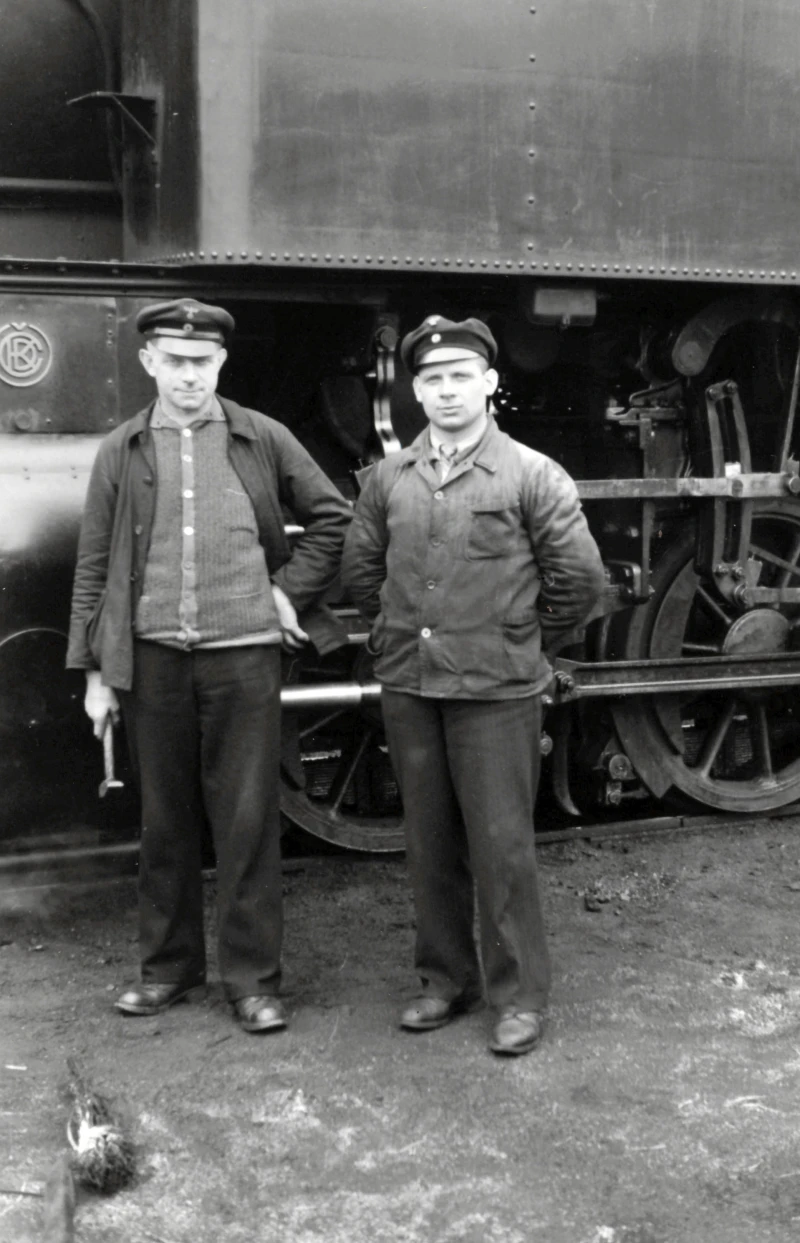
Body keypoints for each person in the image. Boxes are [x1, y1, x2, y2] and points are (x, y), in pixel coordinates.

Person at [67, 299, 351, 1033]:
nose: (188, 375)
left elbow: (334, 519)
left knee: (247, 823)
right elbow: (94, 568)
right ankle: (167, 969)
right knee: (164, 822)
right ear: (149, 362)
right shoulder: (123, 448)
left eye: (202, 362)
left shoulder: (261, 437)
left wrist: (287, 592)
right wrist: (96, 674)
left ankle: (253, 981)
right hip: (152, 662)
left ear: (221, 362)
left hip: (244, 657)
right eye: (174, 361)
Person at [341, 315, 605, 1056]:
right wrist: (396, 633)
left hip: (497, 690)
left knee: (501, 846)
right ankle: (443, 979)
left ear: (489, 382)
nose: (448, 390)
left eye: (462, 376)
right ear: (416, 391)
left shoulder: (531, 473)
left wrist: (520, 639)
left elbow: (580, 582)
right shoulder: (389, 478)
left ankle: (518, 997)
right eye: (433, 380)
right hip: (412, 686)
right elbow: (362, 571)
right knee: (428, 842)